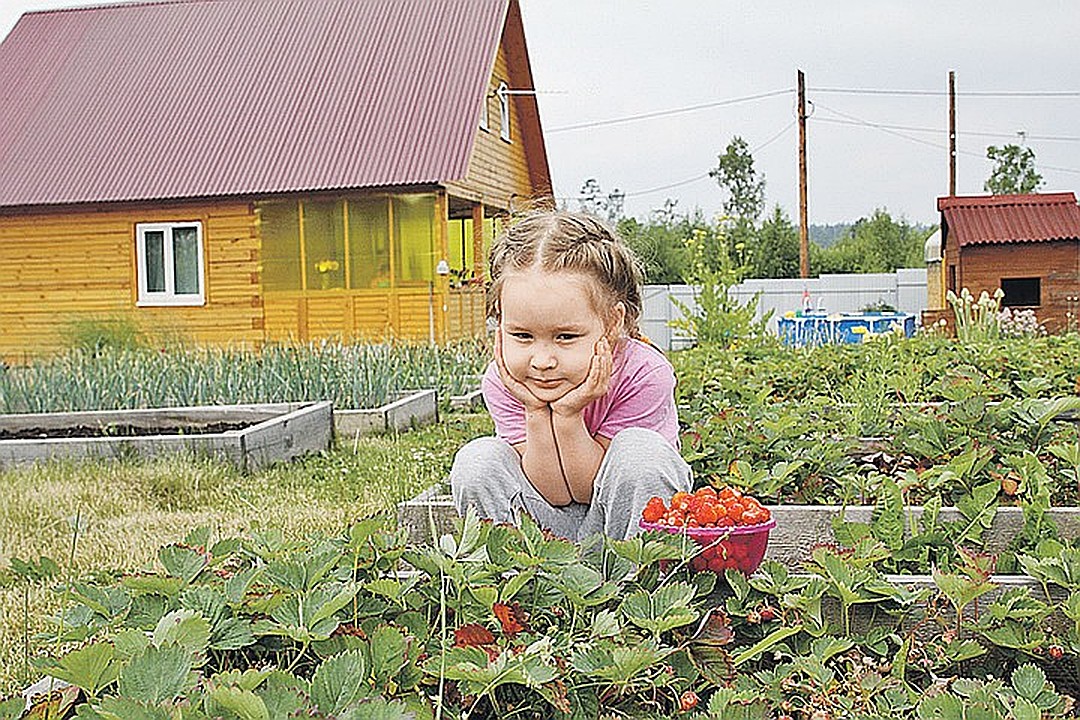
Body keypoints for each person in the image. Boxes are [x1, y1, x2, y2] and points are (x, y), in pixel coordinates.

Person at [450, 210, 692, 541]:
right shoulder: (505, 381)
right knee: (478, 461)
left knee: (642, 453)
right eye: (522, 336)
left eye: (565, 337)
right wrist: (536, 411)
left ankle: (638, 585)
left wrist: (567, 414)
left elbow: (584, 490)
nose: (542, 360)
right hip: (540, 535)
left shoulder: (643, 373)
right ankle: (517, 583)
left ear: (611, 324)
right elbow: (554, 494)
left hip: (621, 531)